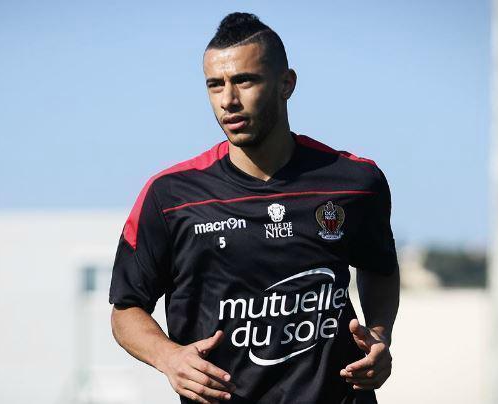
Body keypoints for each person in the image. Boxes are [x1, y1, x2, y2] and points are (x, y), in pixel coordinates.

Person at [109, 12, 400, 404]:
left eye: (244, 81)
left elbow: (379, 267)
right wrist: (169, 357)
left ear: (286, 84)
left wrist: (379, 336)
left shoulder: (355, 182)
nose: (228, 100)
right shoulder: (171, 196)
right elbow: (126, 310)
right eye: (215, 85)